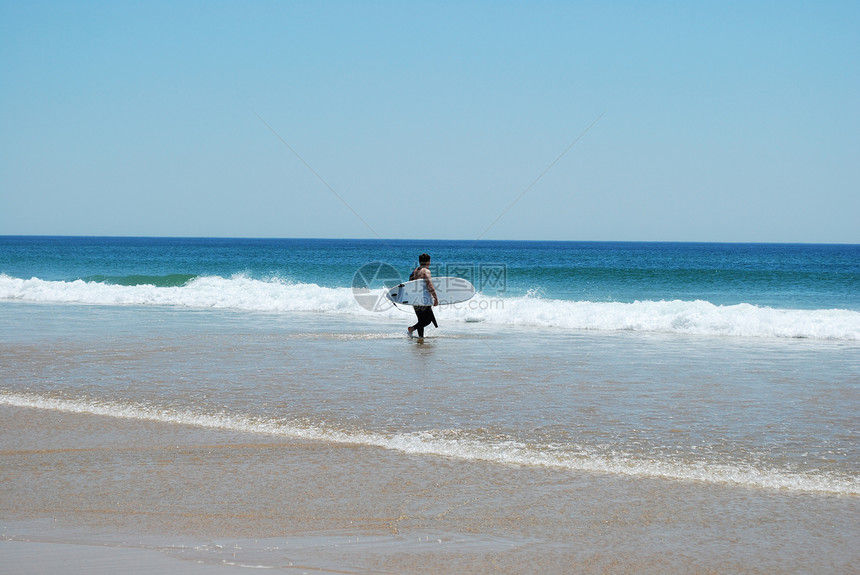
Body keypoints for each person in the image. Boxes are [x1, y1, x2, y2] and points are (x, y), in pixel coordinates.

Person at [407, 253, 438, 338]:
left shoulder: (414, 272)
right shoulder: (426, 271)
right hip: (423, 299)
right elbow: (430, 285)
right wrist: (435, 297)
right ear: (428, 261)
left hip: (414, 299)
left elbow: (409, 284)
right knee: (427, 320)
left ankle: (421, 338)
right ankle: (412, 328)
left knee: (421, 320)